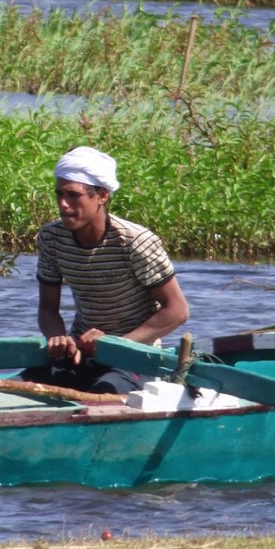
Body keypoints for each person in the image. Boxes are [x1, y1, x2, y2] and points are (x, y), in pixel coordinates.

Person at [23, 146, 189, 394]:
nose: (63, 204)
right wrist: (57, 338)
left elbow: (177, 311)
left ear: (102, 196)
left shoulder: (135, 242)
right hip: (82, 352)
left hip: (136, 356)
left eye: (73, 195)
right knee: (27, 387)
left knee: (105, 390)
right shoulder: (51, 238)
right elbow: (48, 308)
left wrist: (115, 345)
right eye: (59, 194)